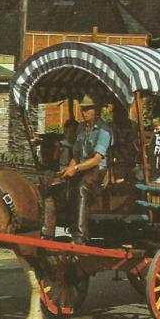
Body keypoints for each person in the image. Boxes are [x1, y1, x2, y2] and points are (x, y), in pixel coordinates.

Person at [59, 94, 112, 245]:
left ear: (96, 111)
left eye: (88, 109)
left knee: (82, 187)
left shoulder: (104, 131)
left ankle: (80, 236)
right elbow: (76, 154)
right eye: (83, 109)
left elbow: (96, 159)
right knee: (56, 184)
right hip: (81, 167)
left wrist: (75, 168)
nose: (84, 112)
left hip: (98, 171)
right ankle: (48, 231)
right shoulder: (81, 128)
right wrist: (68, 170)